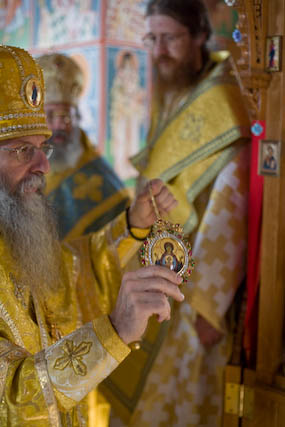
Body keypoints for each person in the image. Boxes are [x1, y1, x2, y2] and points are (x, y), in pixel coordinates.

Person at [0, 44, 184, 426]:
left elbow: (72, 273)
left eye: (43, 147)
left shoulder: (15, 233)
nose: (43, 165)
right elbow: (14, 398)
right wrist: (114, 331)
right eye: (22, 151)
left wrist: (131, 227)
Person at [102, 1, 251, 426]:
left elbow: (233, 200)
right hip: (156, 271)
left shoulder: (223, 98)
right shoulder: (174, 92)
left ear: (200, 36)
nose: (158, 50)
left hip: (195, 292)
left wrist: (208, 303)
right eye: (151, 38)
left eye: (169, 38)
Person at [38, 53, 130, 240]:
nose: (59, 126)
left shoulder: (98, 174)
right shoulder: (16, 164)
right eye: (50, 117)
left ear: (77, 117)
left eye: (66, 116)